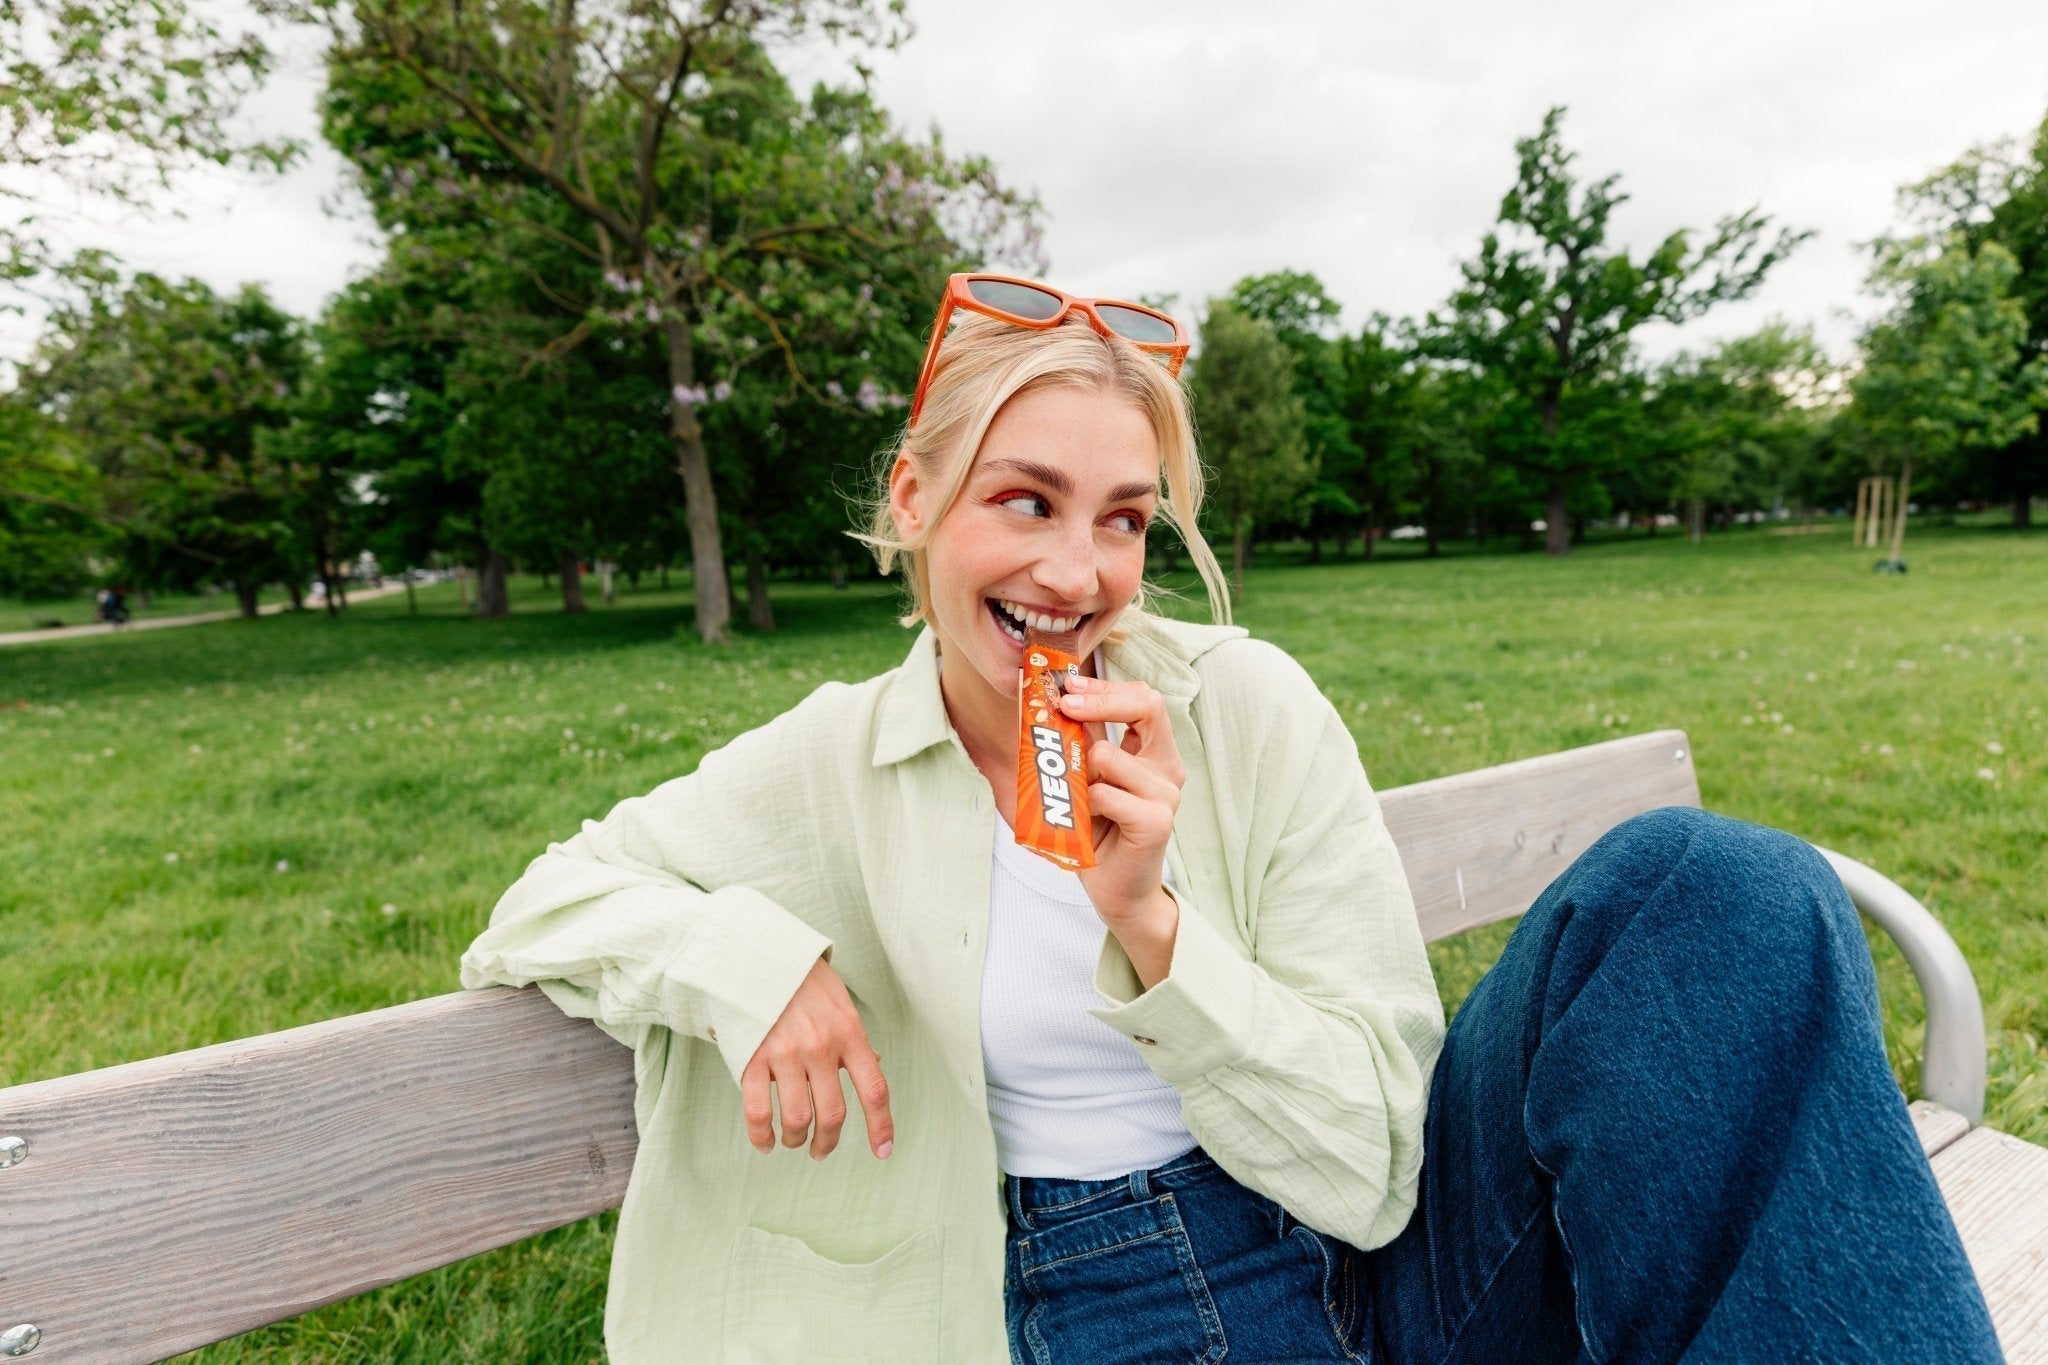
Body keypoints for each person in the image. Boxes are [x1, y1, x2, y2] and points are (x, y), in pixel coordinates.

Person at [460, 276, 1999, 1363]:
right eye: (1025, 500)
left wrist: (1155, 925)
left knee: (1712, 887)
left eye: (1123, 517)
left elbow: (1378, 1164)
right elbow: (548, 900)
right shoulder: (824, 764)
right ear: (917, 501)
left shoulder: (1244, 709)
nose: (1078, 571)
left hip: (1373, 1261)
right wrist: (748, 961)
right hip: (1078, 1301)